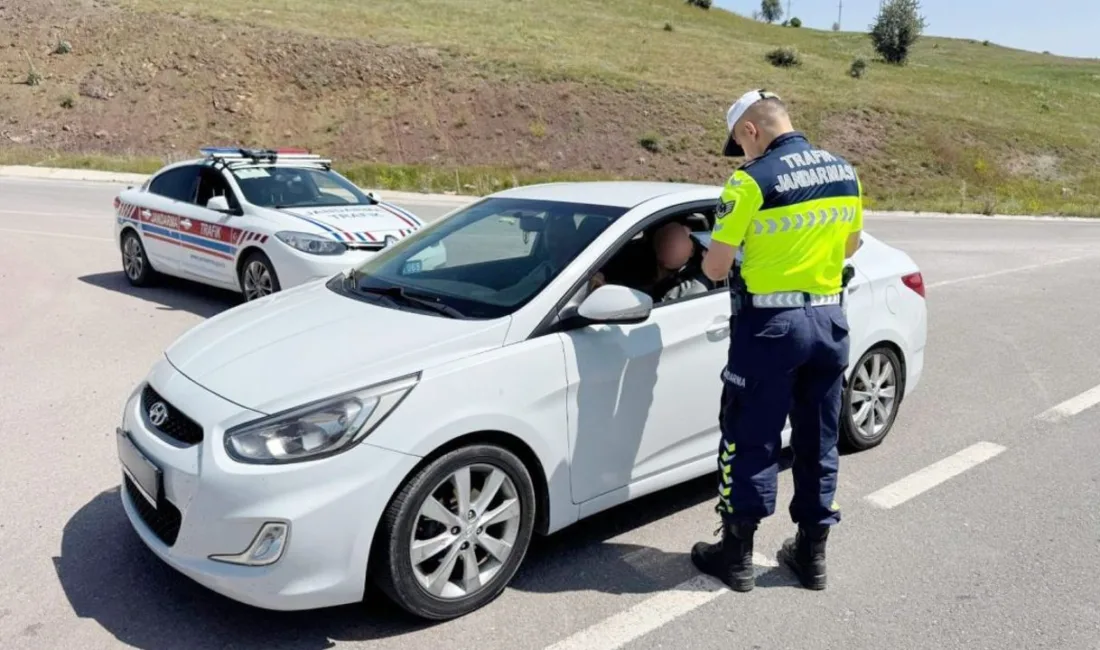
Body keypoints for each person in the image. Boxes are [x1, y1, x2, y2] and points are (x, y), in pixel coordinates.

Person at [690, 89, 864, 593]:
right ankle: (811, 557)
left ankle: (737, 556)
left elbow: (716, 266)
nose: (741, 155)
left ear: (750, 130)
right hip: (830, 322)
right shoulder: (844, 171)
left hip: (769, 328)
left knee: (751, 438)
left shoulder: (749, 181)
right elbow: (850, 244)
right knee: (819, 441)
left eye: (739, 144)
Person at [589, 220, 714, 302]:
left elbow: (651, 302)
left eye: (679, 241)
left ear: (692, 250)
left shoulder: (695, 287)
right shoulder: (637, 263)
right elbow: (647, 290)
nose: (671, 245)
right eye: (667, 240)